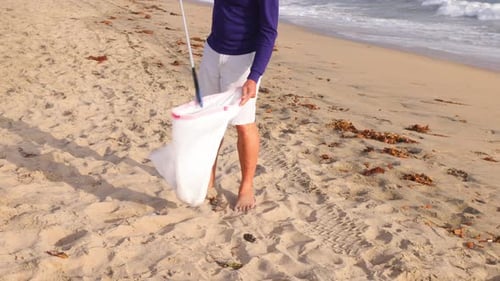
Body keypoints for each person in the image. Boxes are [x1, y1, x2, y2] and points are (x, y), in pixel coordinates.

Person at [198, 0, 279, 211]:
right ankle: (208, 181)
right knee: (210, 121)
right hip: (212, 52)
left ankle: (246, 187)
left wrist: (254, 76)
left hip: (243, 61)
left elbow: (269, 31)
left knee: (243, 124)